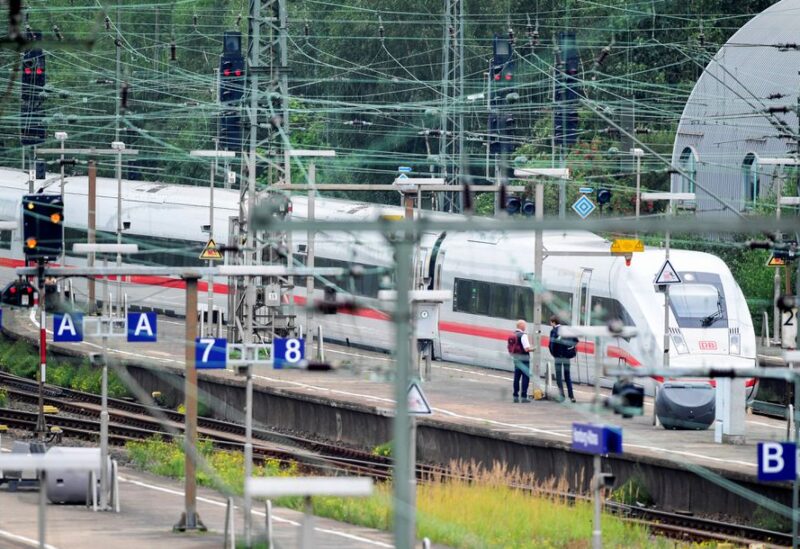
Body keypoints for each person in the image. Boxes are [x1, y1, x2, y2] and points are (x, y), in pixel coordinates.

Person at [549, 315, 576, 403]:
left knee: (559, 377)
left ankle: (562, 396)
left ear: (553, 322)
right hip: (567, 357)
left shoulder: (553, 331)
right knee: (567, 376)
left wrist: (554, 354)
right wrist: (569, 349)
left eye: (551, 322)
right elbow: (576, 340)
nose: (551, 324)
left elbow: (552, 345)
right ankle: (571, 396)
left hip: (558, 357)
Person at [508, 319, 533, 403]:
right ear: (521, 326)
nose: (525, 327)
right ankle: (523, 396)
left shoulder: (513, 335)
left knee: (516, 377)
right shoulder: (523, 335)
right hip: (524, 359)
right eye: (524, 325)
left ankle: (515, 395)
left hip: (516, 358)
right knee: (525, 377)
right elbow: (526, 349)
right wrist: (533, 349)